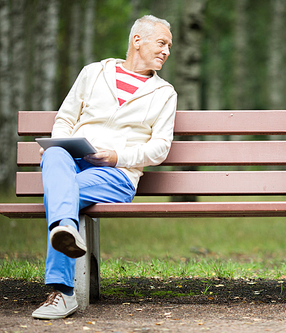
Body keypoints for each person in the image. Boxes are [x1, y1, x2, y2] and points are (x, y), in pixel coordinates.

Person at [32, 15, 177, 320]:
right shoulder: (94, 73)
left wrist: (117, 156)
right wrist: (66, 143)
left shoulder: (164, 94)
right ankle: (66, 230)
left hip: (116, 175)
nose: (166, 52)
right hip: (72, 163)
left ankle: (62, 291)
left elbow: (160, 147)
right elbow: (65, 119)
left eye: (169, 47)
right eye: (162, 43)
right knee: (55, 154)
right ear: (138, 40)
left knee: (62, 196)